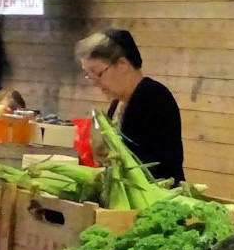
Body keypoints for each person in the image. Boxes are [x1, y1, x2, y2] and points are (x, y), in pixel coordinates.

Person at [74, 29, 185, 183]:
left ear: (122, 64)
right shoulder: (117, 103)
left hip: (158, 193)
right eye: (88, 75)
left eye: (97, 73)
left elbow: (153, 163)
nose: (95, 83)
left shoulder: (152, 96)